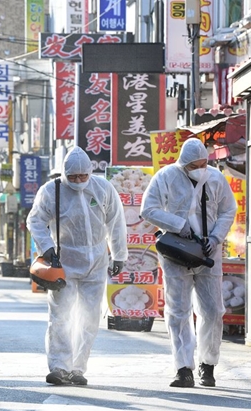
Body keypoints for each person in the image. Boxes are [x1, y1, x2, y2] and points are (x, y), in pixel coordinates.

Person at [27, 146, 128, 386]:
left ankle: (78, 368)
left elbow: (116, 222)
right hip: (63, 263)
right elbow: (36, 220)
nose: (79, 181)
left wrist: (119, 254)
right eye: (73, 177)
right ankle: (59, 367)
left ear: (90, 172)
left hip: (96, 261)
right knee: (60, 316)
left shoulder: (103, 188)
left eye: (83, 176)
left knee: (89, 318)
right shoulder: (51, 191)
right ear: (64, 174)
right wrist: (47, 248)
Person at [141, 138, 237, 388]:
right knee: (178, 311)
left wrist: (216, 237)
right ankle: (183, 368)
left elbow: (229, 210)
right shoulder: (166, 176)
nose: (200, 168)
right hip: (176, 252)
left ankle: (208, 363)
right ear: (183, 164)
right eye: (195, 165)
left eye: (204, 163)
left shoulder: (216, 178)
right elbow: (148, 209)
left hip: (208, 253)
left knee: (213, 311)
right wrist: (177, 224)